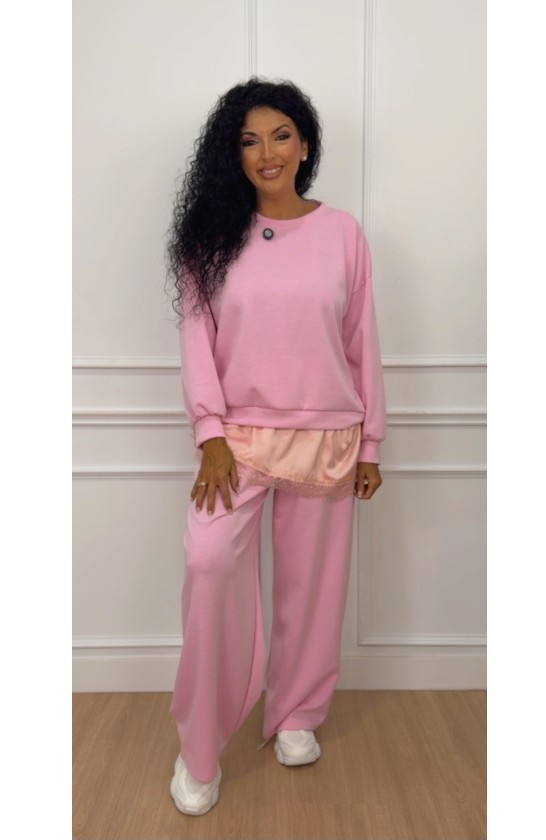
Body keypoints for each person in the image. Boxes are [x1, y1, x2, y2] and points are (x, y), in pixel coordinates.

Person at [165, 77, 386, 816]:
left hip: (327, 433)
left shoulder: (343, 233)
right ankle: (199, 748)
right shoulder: (209, 238)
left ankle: (296, 714)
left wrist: (371, 442)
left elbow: (361, 341)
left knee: (312, 588)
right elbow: (196, 340)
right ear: (232, 154)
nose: (267, 152)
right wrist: (210, 432)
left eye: (281, 135)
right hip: (237, 441)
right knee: (209, 565)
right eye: (249, 140)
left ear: (305, 143)